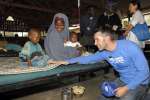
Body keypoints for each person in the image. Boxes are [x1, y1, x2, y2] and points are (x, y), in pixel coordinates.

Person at [48, 26, 150, 100]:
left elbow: (145, 72)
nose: (95, 43)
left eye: (97, 40)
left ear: (106, 38)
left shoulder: (130, 47)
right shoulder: (104, 52)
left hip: (141, 83)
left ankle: (145, 94)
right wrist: (66, 61)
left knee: (126, 97)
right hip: (123, 80)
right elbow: (87, 58)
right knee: (104, 96)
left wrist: (126, 88)